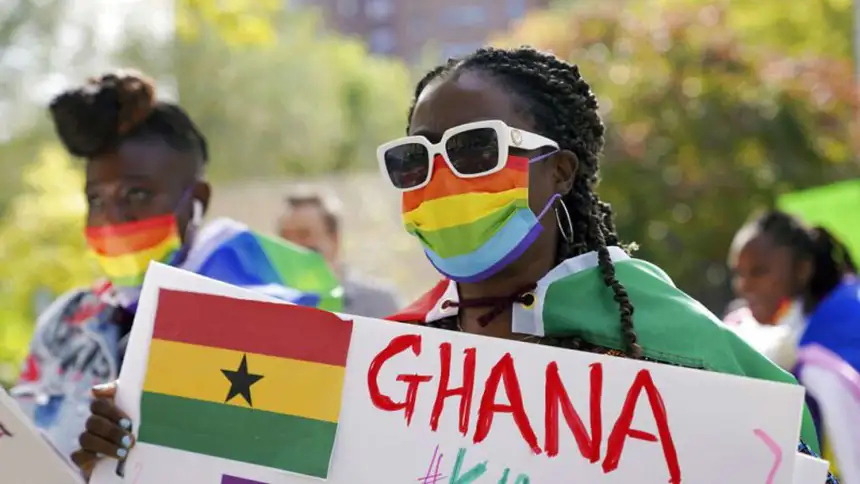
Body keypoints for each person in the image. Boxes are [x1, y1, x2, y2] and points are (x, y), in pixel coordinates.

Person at [70, 48, 834, 481]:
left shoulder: (673, 346)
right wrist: (139, 434)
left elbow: (786, 461)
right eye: (415, 159)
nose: (442, 178)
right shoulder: (385, 357)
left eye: (475, 150)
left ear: (559, 171)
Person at [10, 70, 318, 467]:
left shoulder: (268, 324)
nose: (112, 218)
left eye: (137, 194)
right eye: (96, 200)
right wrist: (85, 472)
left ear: (197, 200)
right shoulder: (64, 324)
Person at [729, 209, 859, 479]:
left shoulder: (841, 330)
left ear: (802, 270)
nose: (744, 286)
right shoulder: (747, 325)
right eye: (738, 273)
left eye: (759, 272)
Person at [277, 190, 401, 318]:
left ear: (334, 239)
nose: (291, 245)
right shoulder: (273, 302)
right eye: (284, 236)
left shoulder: (378, 302)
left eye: (303, 234)